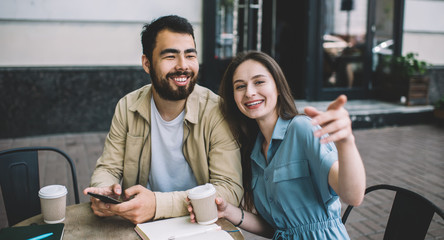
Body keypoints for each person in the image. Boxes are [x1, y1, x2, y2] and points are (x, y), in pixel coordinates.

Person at [83, 15, 243, 224]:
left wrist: (158, 205)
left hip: (199, 222)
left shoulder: (216, 110)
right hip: (141, 224)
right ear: (147, 63)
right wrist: (105, 191)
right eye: (170, 56)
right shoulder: (128, 106)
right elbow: (109, 168)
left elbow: (230, 188)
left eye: (190, 55)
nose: (183, 66)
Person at [188, 51, 366, 239]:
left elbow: (353, 196)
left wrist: (346, 142)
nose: (249, 92)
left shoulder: (301, 128)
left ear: (278, 87)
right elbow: (276, 228)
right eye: (240, 86)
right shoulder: (253, 151)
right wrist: (227, 211)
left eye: (259, 82)